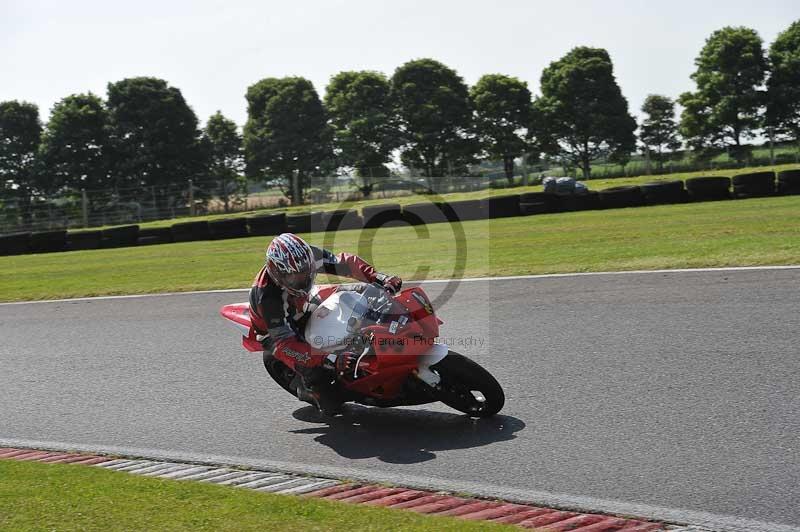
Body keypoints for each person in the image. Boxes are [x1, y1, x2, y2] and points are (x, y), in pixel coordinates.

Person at [249, 233, 402, 414]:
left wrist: (378, 277)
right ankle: (310, 390)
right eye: (294, 278)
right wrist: (329, 359)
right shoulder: (268, 298)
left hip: (305, 301)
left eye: (306, 273)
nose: (302, 280)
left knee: (367, 292)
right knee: (329, 398)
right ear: (277, 274)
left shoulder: (306, 257)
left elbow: (344, 263)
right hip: (277, 333)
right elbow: (285, 343)